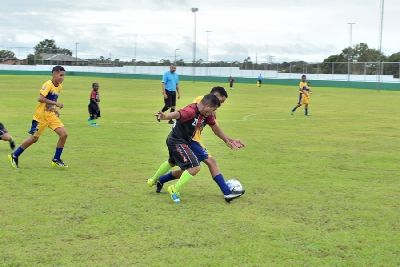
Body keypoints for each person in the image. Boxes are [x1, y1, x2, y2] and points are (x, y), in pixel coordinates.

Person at [151, 86, 245, 202]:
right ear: (213, 98)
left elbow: (215, 127)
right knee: (207, 163)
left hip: (188, 139)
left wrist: (228, 140)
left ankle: (161, 180)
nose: (221, 104)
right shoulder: (201, 103)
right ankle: (227, 193)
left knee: (184, 168)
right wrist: (166, 116)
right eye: (221, 101)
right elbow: (183, 113)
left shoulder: (209, 111)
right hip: (191, 141)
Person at [9, 65, 68, 168]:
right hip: (41, 117)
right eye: (60, 75)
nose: (62, 78)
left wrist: (54, 109)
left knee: (64, 135)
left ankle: (56, 159)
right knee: (34, 139)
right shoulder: (48, 84)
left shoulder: (59, 87)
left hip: (50, 115)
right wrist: (56, 103)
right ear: (54, 74)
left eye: (63, 76)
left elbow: (49, 103)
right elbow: (40, 99)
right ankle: (14, 155)